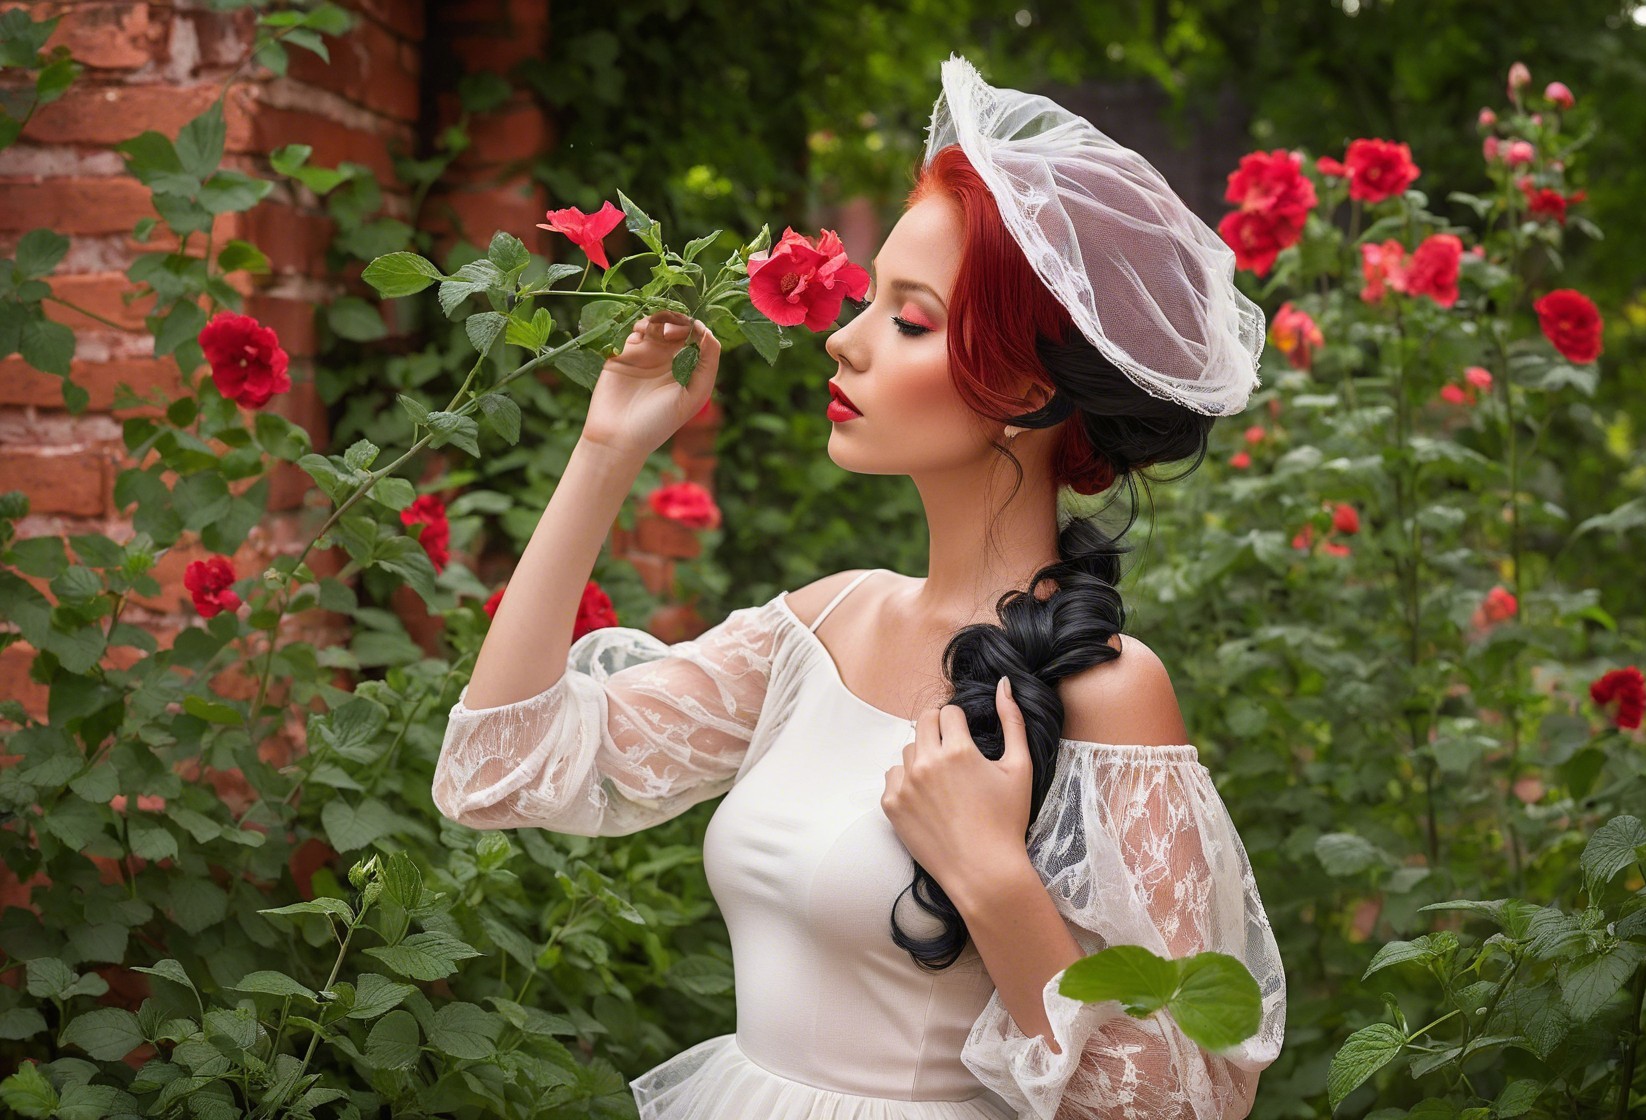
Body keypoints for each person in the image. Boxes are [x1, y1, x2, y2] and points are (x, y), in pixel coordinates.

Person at [433, 53, 1286, 1120]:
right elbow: (496, 771)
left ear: (1022, 385)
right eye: (870, 299)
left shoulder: (1109, 692)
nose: (842, 336)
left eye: (909, 318)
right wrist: (605, 451)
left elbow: (1175, 1102)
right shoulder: (820, 623)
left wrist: (989, 873)